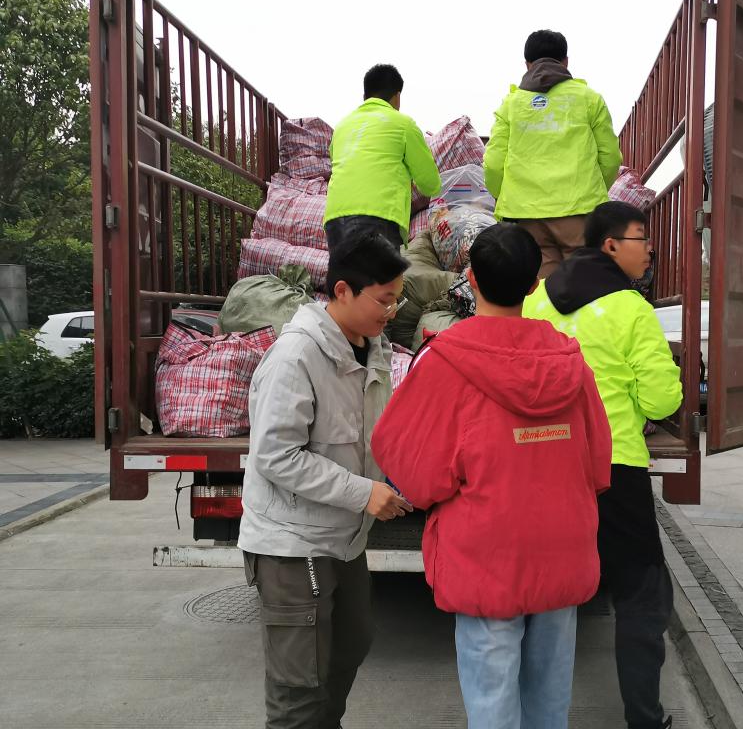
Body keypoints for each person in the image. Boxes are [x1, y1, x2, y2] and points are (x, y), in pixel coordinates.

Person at [371, 223, 612, 729]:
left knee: (492, 702)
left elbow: (411, 468)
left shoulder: (443, 360)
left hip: (487, 554)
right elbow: (597, 463)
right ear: (534, 284)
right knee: (551, 699)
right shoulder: (569, 360)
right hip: (562, 546)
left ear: (472, 279)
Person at [238, 234, 415, 729]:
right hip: (294, 543)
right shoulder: (295, 356)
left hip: (343, 538)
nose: (392, 311)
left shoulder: (371, 348)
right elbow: (276, 455)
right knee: (300, 683)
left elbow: (371, 436)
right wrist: (364, 492)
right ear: (342, 290)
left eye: (397, 300)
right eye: (384, 299)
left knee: (349, 646)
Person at [523, 201, 682, 729]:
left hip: (546, 464)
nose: (650, 250)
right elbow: (661, 399)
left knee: (548, 595)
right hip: (615, 469)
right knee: (641, 593)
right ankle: (644, 718)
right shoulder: (630, 308)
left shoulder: (537, 300)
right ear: (611, 245)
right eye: (643, 239)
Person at [483, 29, 623, 278]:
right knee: (584, 283)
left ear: (527, 64)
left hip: (526, 214)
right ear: (565, 61)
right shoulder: (589, 99)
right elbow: (611, 157)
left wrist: (504, 196)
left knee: (542, 288)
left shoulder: (511, 104)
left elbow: (493, 164)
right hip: (579, 211)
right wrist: (592, 190)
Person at [324, 63, 442, 252]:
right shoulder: (403, 124)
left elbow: (336, 162)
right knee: (380, 272)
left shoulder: (342, 126)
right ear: (397, 96)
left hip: (335, 220)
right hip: (379, 218)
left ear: (364, 96)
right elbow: (430, 184)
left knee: (347, 272)